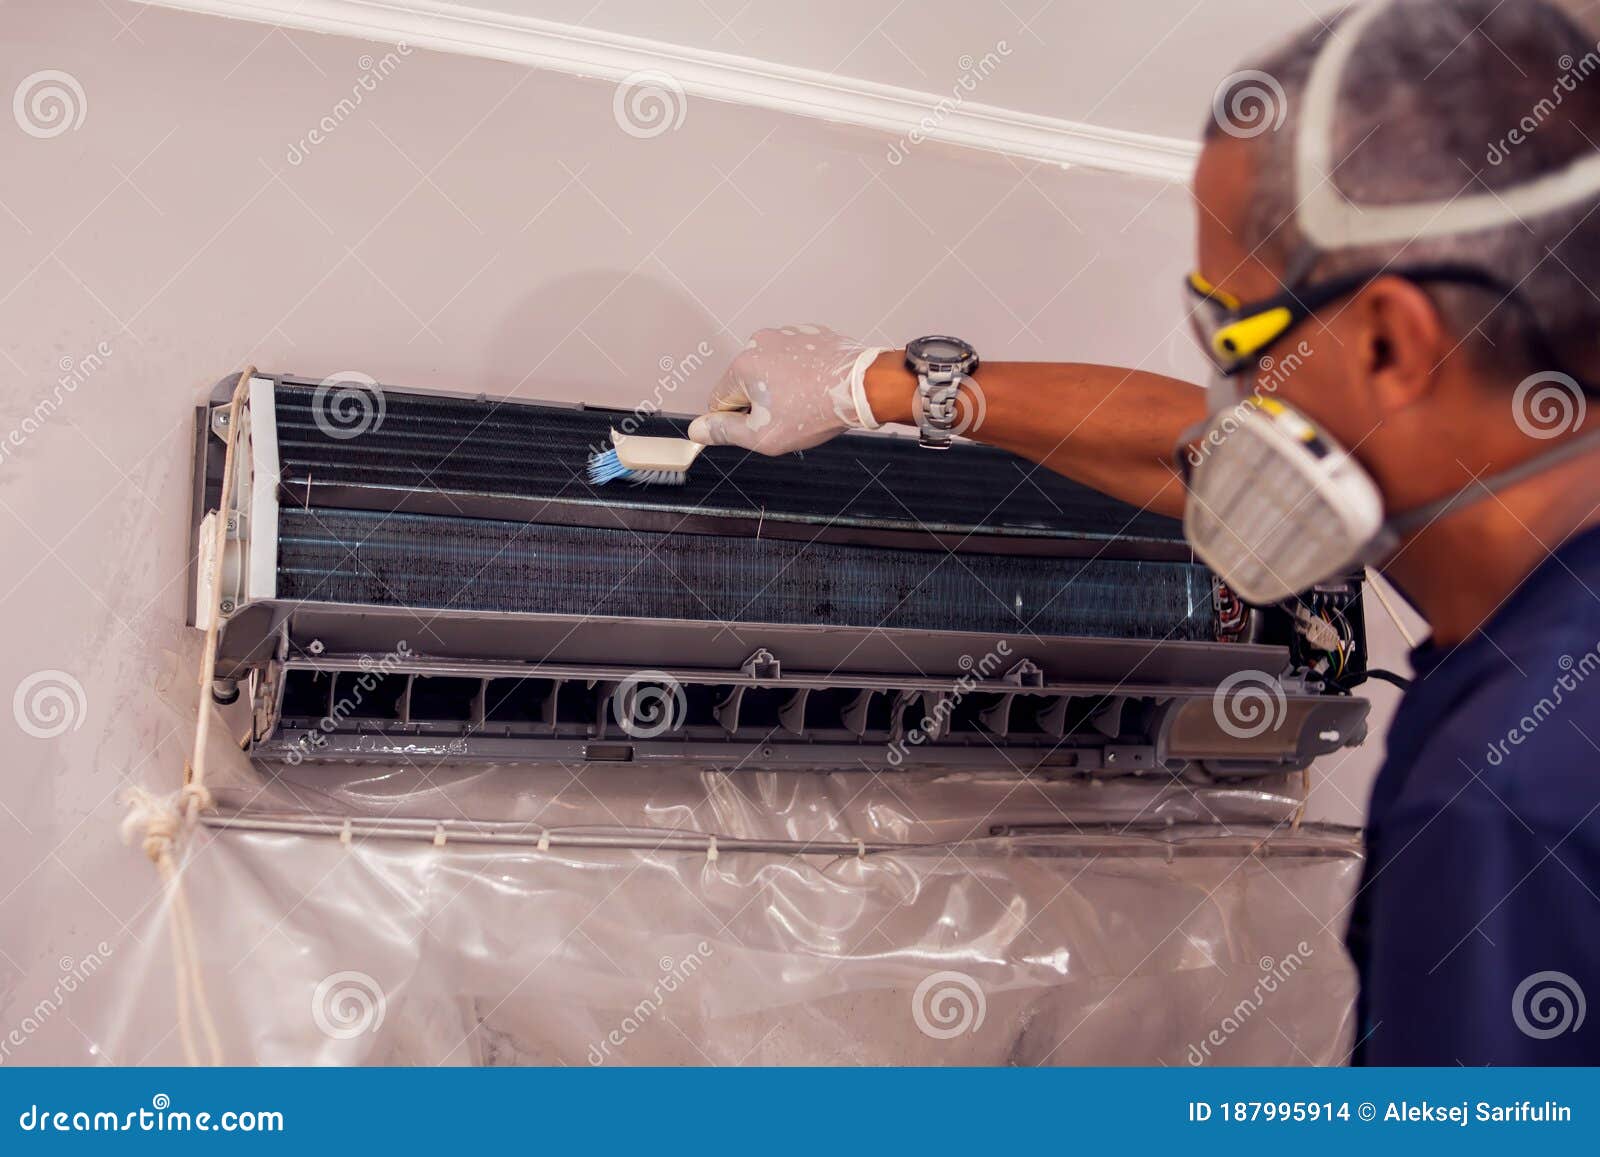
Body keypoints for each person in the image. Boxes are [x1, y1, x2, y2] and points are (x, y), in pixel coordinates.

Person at [687, 0, 1600, 1065]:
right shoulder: (1532, 601)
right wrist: (869, 386)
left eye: (1239, 332)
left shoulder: (1508, 798)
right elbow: (1210, 452)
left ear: (1395, 341)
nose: (1236, 389)